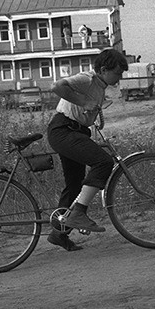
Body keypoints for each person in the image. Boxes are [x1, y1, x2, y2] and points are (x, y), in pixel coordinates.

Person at [45, 48, 129, 251]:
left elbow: (86, 108)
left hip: (74, 131)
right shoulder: (87, 79)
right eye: (117, 73)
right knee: (104, 162)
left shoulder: (100, 86)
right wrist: (84, 102)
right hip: (64, 130)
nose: (119, 78)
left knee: (74, 186)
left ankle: (59, 233)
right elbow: (56, 86)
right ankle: (79, 212)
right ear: (103, 69)